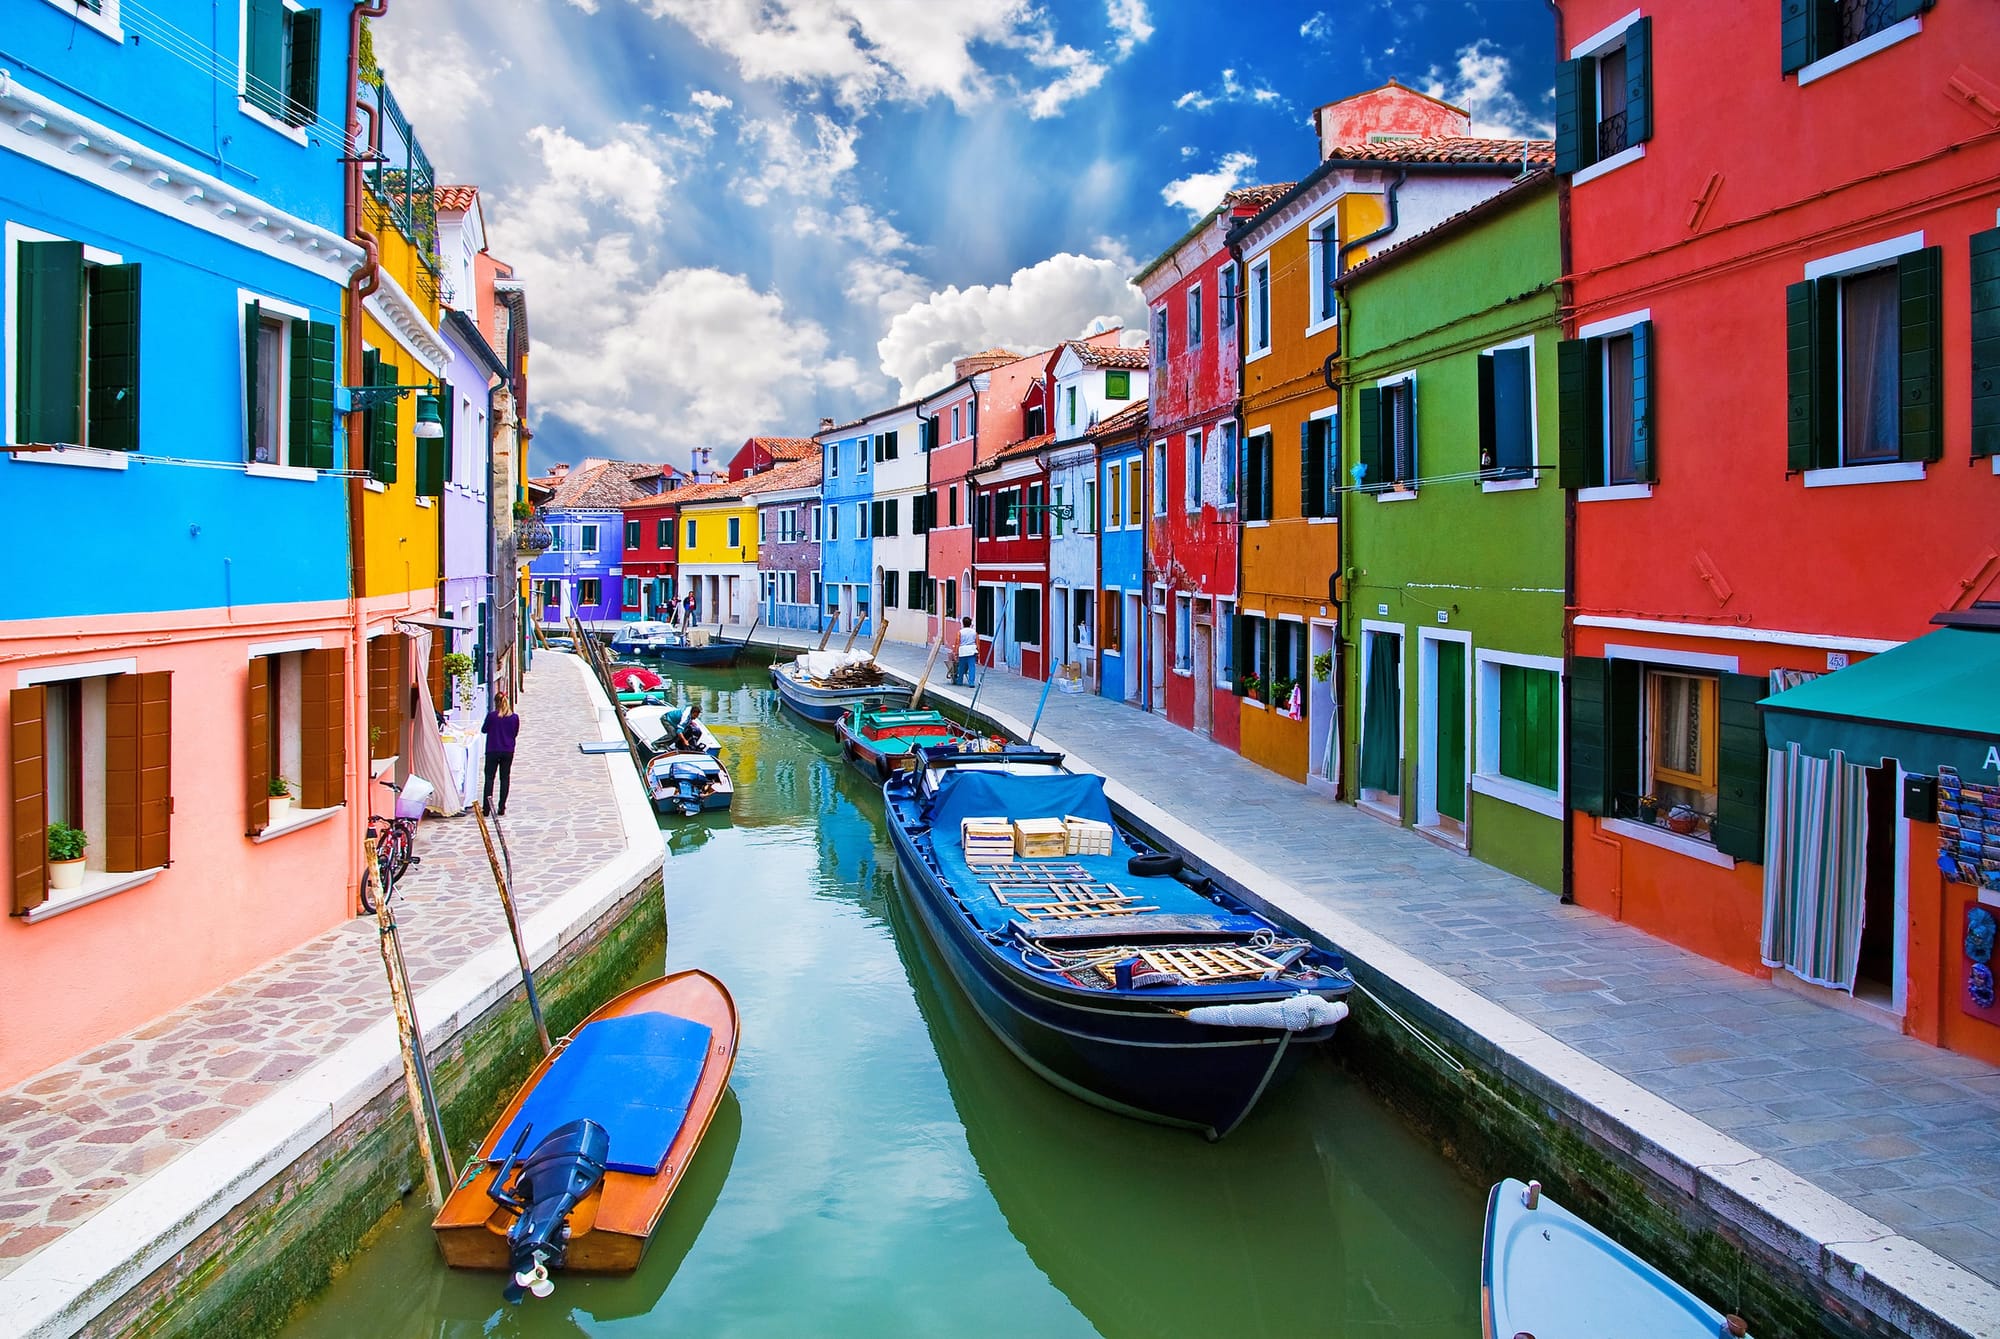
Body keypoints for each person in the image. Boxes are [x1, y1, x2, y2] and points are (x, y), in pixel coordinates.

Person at [481, 690, 520, 816]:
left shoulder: (492, 716)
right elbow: (514, 733)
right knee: (504, 778)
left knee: (489, 778)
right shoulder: (514, 718)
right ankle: (501, 807)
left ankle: (486, 808)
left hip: (492, 750)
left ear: (495, 702)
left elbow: (484, 730)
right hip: (507, 750)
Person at [955, 615, 978, 688]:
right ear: (970, 624)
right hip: (972, 650)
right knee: (972, 667)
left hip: (963, 651)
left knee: (961, 666)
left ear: (963, 623)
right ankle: (971, 682)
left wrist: (956, 653)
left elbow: (957, 643)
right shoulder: (974, 632)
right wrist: (978, 652)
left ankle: (960, 681)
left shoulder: (960, 632)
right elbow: (977, 642)